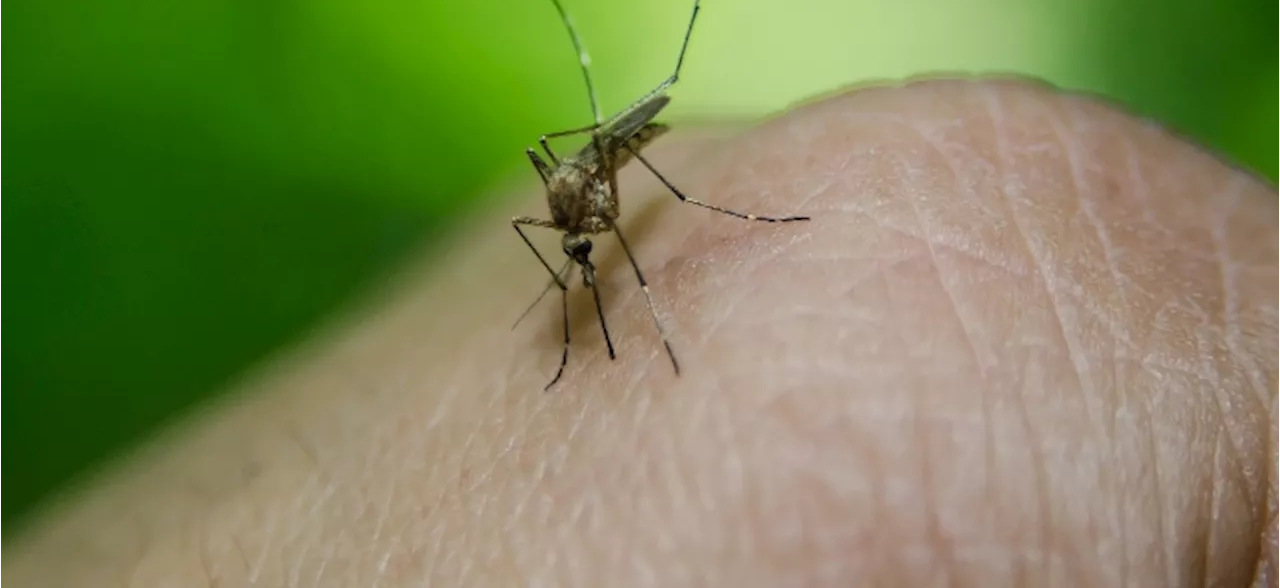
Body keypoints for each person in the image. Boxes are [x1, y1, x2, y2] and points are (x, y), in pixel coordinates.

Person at [1, 78, 1275, 585]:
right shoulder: (555, 223)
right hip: (581, 172)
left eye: (577, 226)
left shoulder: (601, 187)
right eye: (571, 235)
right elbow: (550, 219)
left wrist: (623, 209)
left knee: (630, 199)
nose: (576, 238)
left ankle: (720, 213)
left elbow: (589, 190)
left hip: (617, 147)